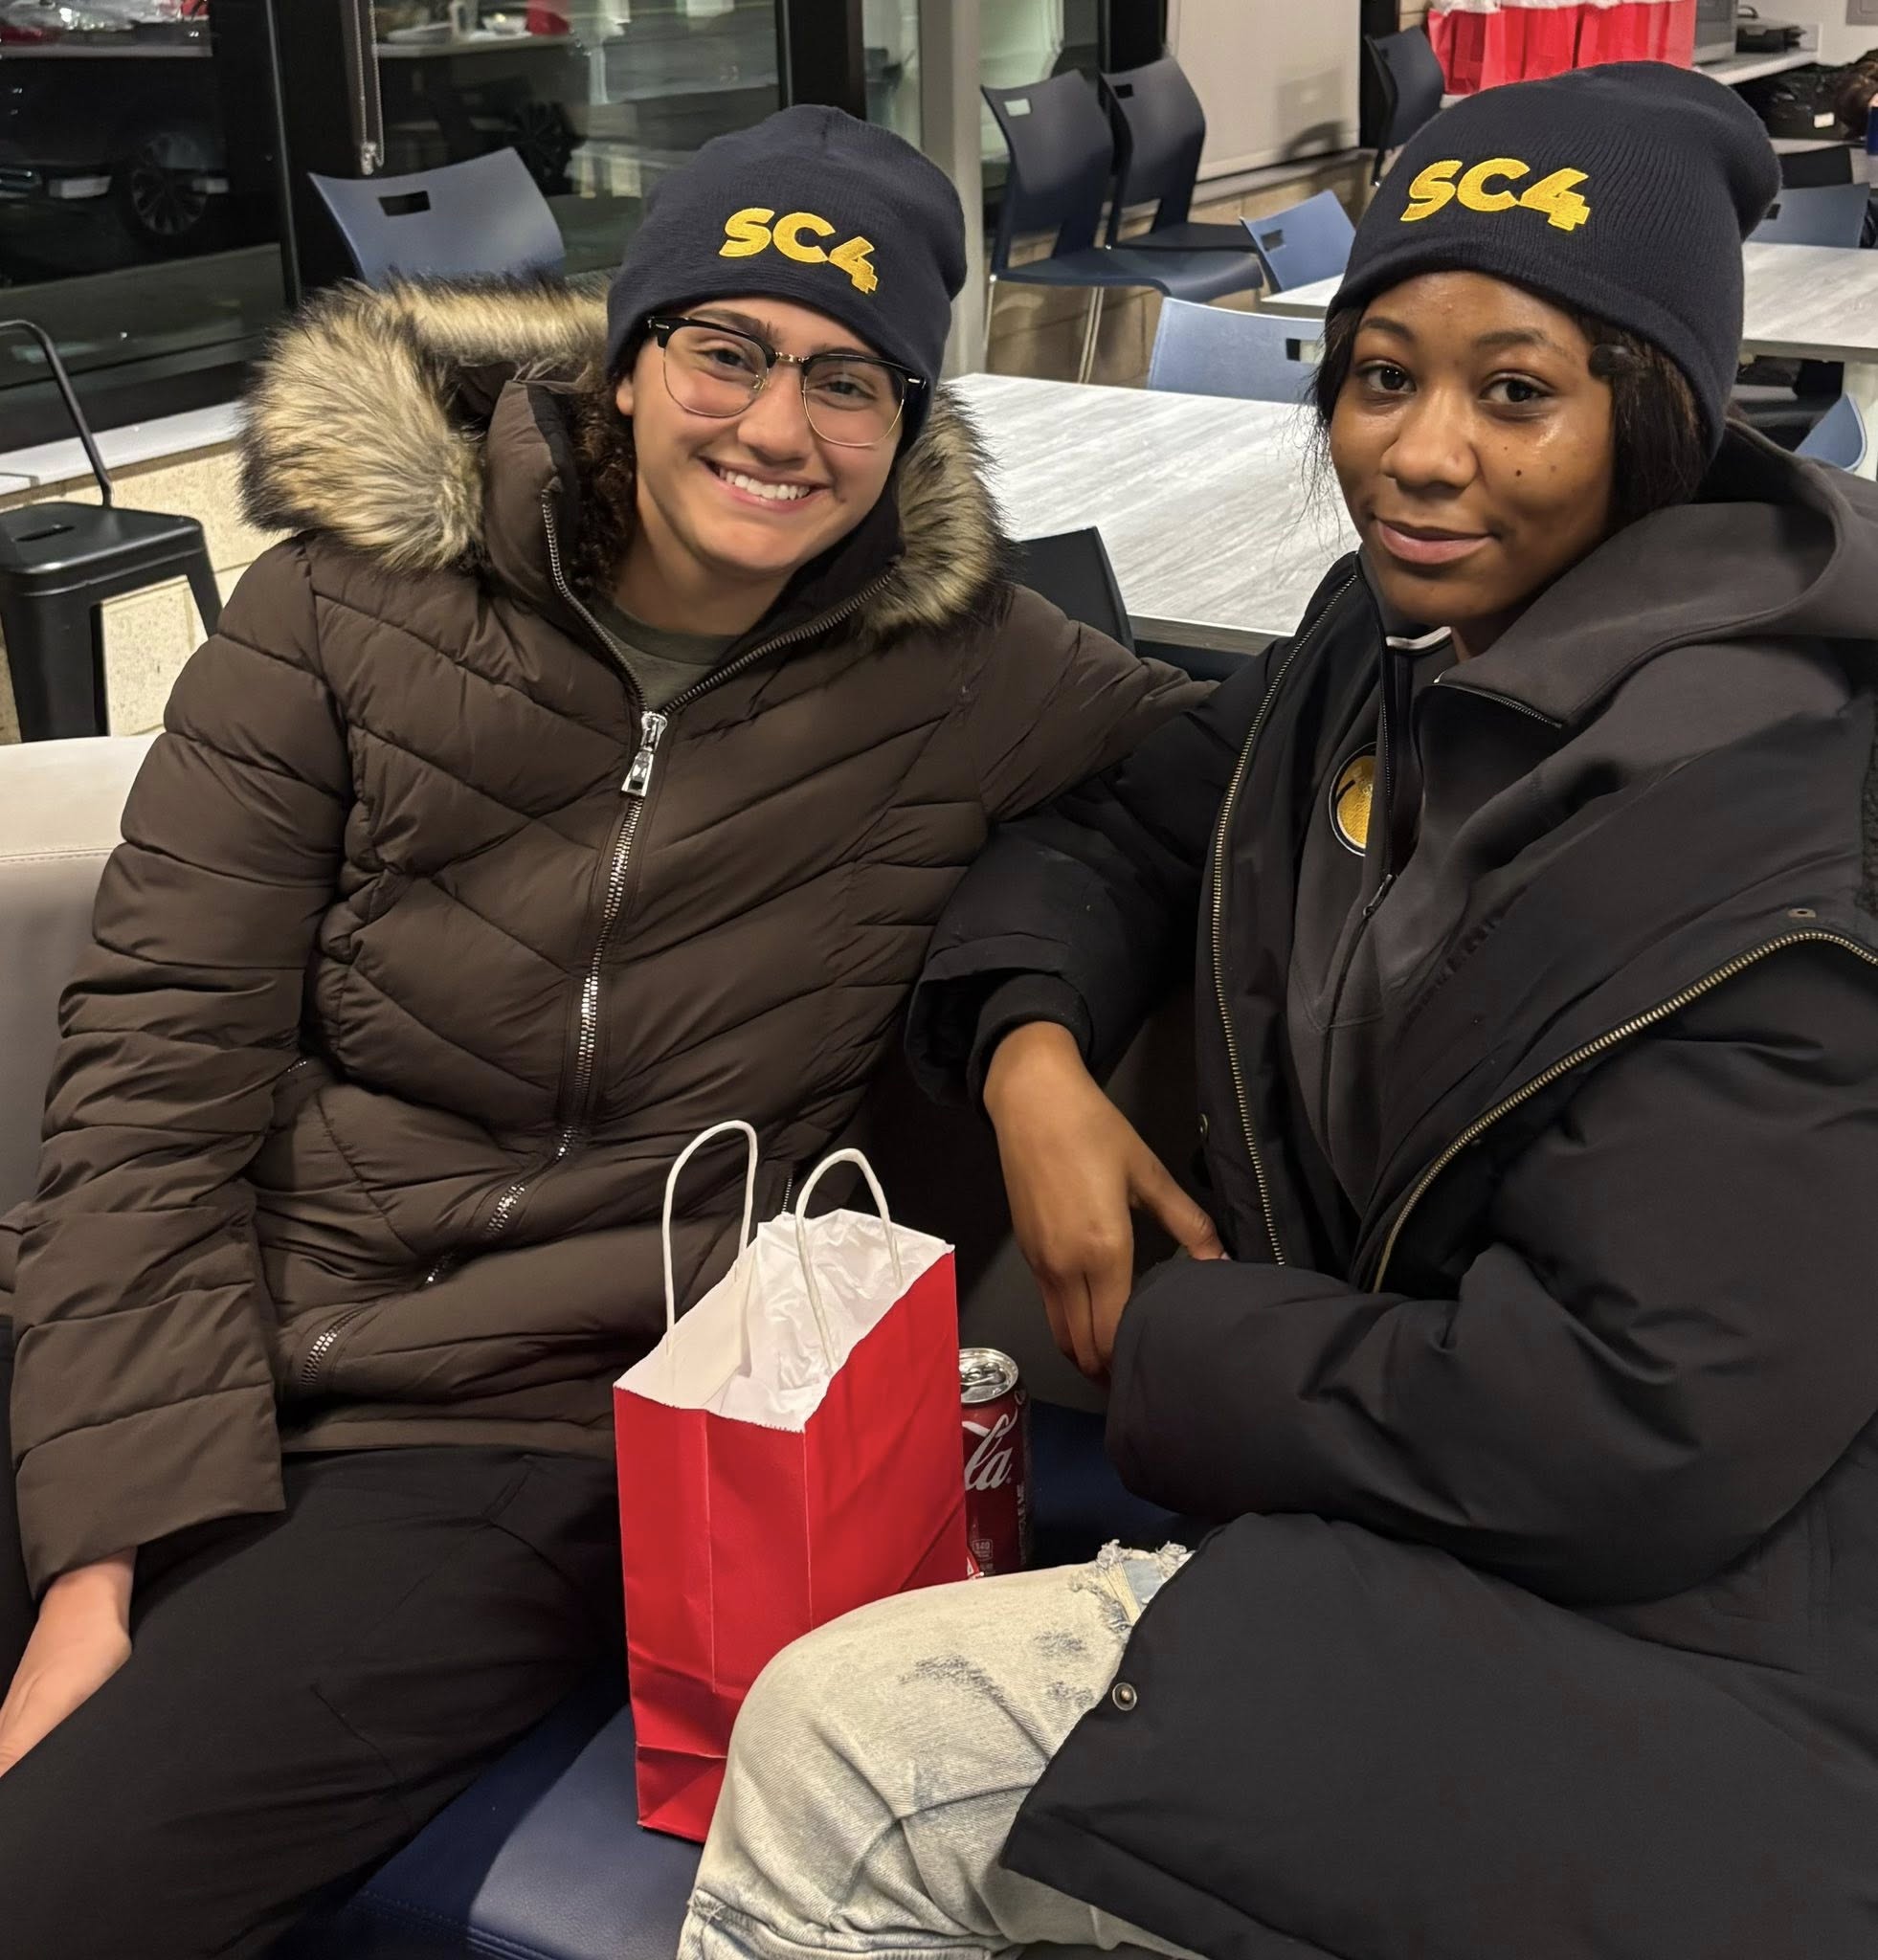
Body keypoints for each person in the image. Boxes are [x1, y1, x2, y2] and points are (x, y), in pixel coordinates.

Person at [679, 65, 1878, 1960]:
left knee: (851, 1746)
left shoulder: (1773, 828)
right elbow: (1125, 825)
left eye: (1516, 391)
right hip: (1428, 1519)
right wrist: (1035, 1058)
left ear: (1654, 416)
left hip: (1706, 1676)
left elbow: (1632, 1429)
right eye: (1383, 372)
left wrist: (1174, 1346)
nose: (1416, 452)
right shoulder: (1385, 651)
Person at [0, 106, 1201, 1955]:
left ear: (905, 426)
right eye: (723, 349)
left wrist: (1030, 1029)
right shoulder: (343, 606)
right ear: (624, 364)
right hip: (228, 1299)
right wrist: (100, 1544)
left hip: (530, 1426)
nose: (776, 427)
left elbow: (1238, 779)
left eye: (849, 381)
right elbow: (154, 1071)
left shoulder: (971, 668)